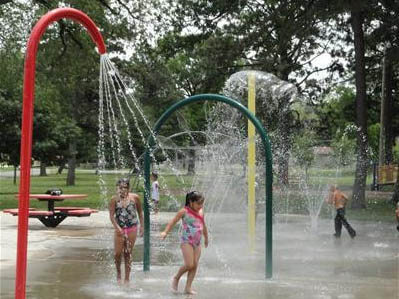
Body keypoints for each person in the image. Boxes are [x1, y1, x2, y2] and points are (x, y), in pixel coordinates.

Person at [160, 191, 209, 295]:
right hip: (187, 241)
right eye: (199, 203)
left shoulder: (201, 212)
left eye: (202, 203)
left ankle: (188, 287)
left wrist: (206, 237)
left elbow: (203, 225)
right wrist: (165, 232)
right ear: (191, 202)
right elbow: (172, 222)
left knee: (195, 265)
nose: (201, 206)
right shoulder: (184, 211)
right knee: (189, 264)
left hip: (197, 241)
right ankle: (176, 277)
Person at [109, 177, 144, 285]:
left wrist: (142, 227)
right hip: (119, 229)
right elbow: (111, 216)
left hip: (132, 228)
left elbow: (140, 213)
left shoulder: (135, 198)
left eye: (125, 187)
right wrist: (117, 227)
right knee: (117, 254)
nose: (123, 190)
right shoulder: (114, 199)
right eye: (121, 187)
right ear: (117, 188)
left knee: (128, 253)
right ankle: (119, 273)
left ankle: (127, 278)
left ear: (129, 188)